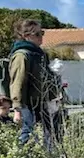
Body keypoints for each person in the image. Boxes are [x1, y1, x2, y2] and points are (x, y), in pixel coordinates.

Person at [8, 19, 61, 147]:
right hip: (28, 104)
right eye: (37, 34)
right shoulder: (22, 55)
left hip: (42, 102)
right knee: (28, 133)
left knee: (52, 133)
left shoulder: (39, 54)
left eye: (41, 33)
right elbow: (17, 82)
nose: (41, 37)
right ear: (26, 36)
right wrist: (17, 108)